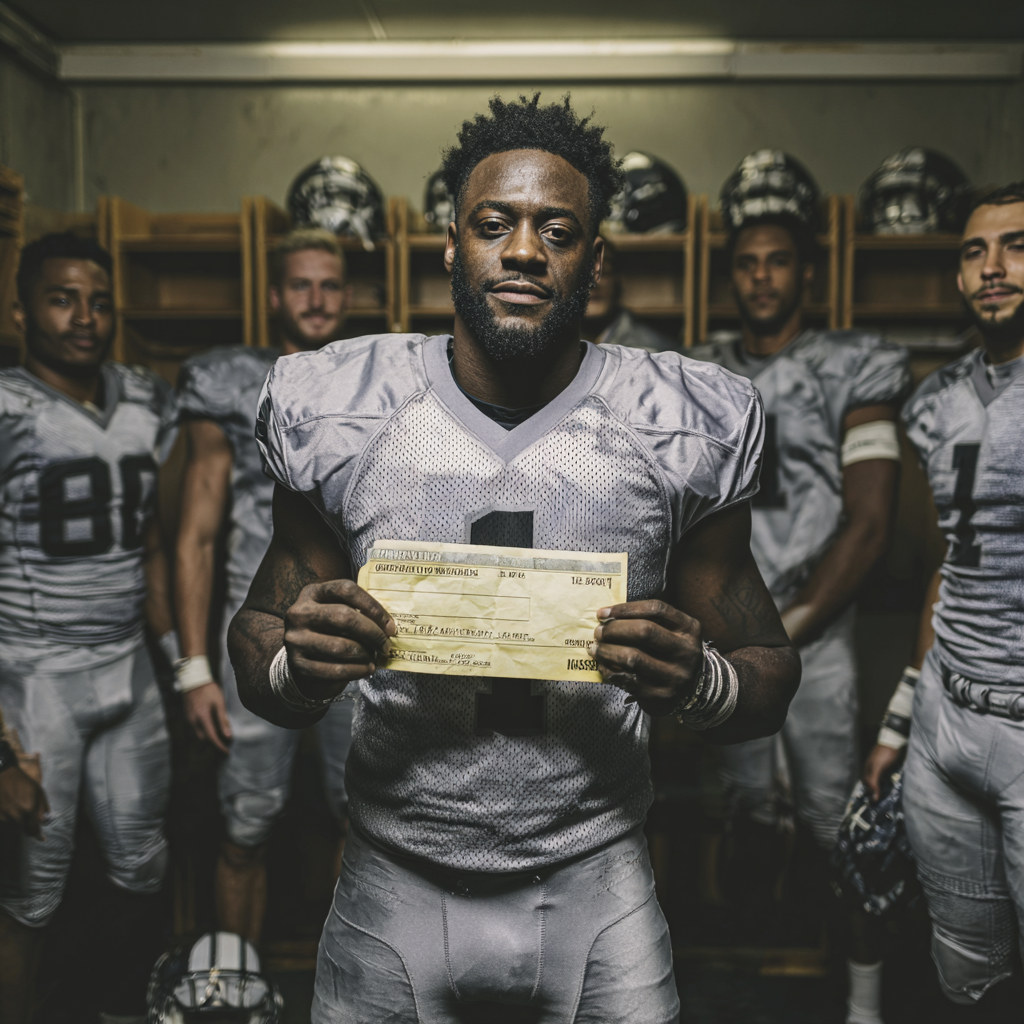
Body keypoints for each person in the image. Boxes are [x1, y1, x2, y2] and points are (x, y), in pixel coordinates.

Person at [228, 93, 800, 1024]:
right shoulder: (344, 405)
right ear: (451, 245)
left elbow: (771, 669)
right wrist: (298, 665)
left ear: (595, 259)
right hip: (390, 871)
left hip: (598, 874)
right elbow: (256, 633)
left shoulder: (676, 422)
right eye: (495, 224)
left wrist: (702, 682)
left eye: (557, 229)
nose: (525, 250)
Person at [690, 213, 910, 1024]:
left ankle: (860, 1005)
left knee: (833, 824)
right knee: (746, 813)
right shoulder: (704, 372)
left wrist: (788, 626)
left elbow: (871, 526)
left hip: (817, 626)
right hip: (729, 630)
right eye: (746, 263)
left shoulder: (847, 366)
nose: (761, 277)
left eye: (778, 262)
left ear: (807, 275)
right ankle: (756, 982)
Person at [0, 232, 178, 1023]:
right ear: (20, 311)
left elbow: (153, 544)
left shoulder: (143, 396)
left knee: (144, 864)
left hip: (128, 665)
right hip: (35, 672)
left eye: (99, 300)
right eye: (62, 297)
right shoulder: (7, 407)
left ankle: (119, 1011)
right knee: (34, 890)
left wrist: (180, 659)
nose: (85, 317)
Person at [863, 182, 1024, 1019]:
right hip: (944, 719)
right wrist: (901, 714)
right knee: (967, 973)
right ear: (959, 277)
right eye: (974, 250)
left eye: (1016, 245)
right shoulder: (932, 404)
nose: (993, 266)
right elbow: (948, 565)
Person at [174, 228, 355, 945]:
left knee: (362, 820)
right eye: (301, 284)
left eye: (331, 285)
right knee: (246, 821)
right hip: (260, 629)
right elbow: (195, 536)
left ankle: (354, 988)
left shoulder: (372, 382)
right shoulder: (233, 383)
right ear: (275, 295)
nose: (316, 299)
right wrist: (193, 668)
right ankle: (237, 988)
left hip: (354, 629)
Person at [582, 239, 677, 352]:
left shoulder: (649, 352)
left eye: (602, 273)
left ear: (618, 281)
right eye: (581, 274)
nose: (592, 284)